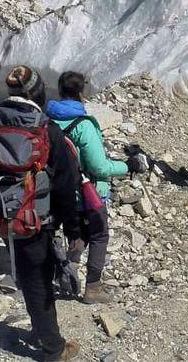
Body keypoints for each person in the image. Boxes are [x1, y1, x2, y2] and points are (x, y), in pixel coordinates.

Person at [0, 65, 83, 361]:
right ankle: (52, 347)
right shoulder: (46, 129)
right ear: (37, 92)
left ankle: (43, 332)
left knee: (28, 274)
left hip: (2, 210)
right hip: (38, 218)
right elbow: (65, 184)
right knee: (40, 279)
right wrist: (73, 229)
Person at [47, 71, 147, 305]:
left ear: (60, 91)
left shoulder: (46, 120)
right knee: (99, 235)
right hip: (86, 192)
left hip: (57, 191)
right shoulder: (83, 126)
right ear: (82, 93)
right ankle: (92, 287)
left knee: (78, 231)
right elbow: (100, 167)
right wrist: (128, 166)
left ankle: (67, 266)